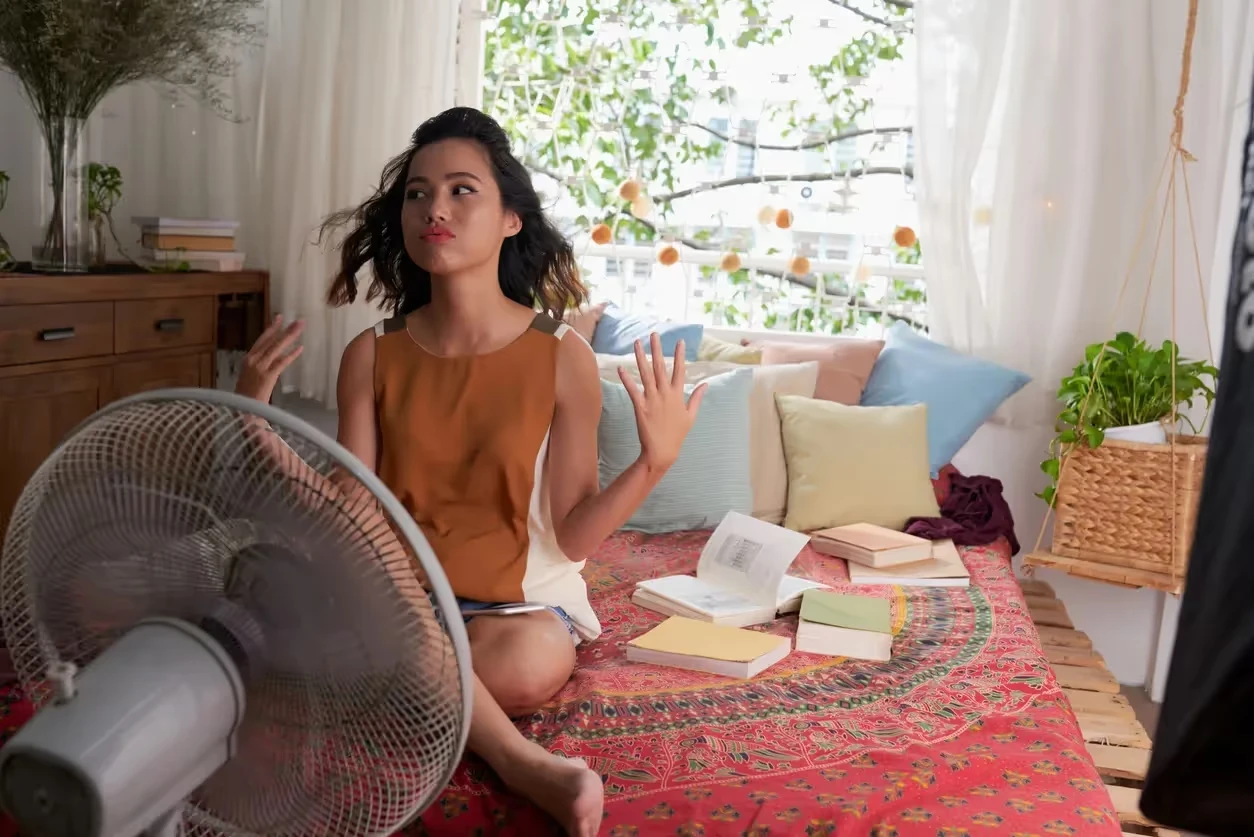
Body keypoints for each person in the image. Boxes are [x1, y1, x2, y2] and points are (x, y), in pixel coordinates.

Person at [233, 107, 706, 837]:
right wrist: (255, 421)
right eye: (418, 193)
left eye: (462, 191)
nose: (435, 210)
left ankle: (416, 691)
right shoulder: (372, 354)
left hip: (516, 615)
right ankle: (528, 764)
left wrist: (655, 461)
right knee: (371, 571)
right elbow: (348, 507)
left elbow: (575, 533)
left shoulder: (561, 356)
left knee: (514, 666)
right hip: (395, 590)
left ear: (512, 218)